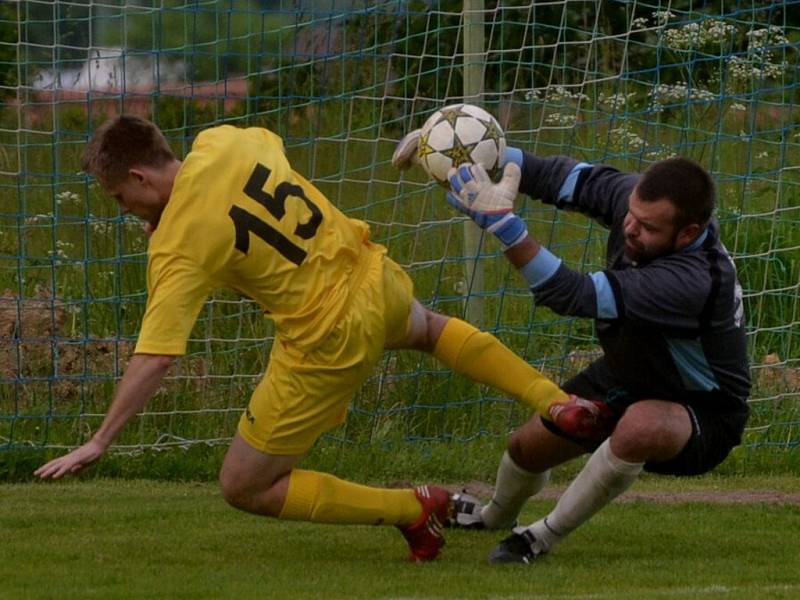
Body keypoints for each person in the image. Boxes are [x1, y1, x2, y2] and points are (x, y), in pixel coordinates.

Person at [35, 115, 611, 562]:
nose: (126, 211)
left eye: (120, 198)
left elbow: (156, 355)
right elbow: (257, 177)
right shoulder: (223, 142)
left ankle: (413, 507)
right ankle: (555, 401)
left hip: (327, 336)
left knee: (244, 485)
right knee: (433, 329)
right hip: (372, 276)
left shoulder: (178, 243)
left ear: (138, 176)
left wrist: (100, 441)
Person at [393, 134, 751, 563]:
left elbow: (568, 294)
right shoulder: (634, 203)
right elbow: (552, 175)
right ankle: (494, 515)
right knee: (526, 448)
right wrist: (460, 146)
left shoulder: (693, 281)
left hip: (703, 412)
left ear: (688, 233)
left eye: (649, 227)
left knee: (639, 425)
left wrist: (504, 226)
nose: (630, 228)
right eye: (631, 216)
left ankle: (541, 537)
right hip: (630, 371)